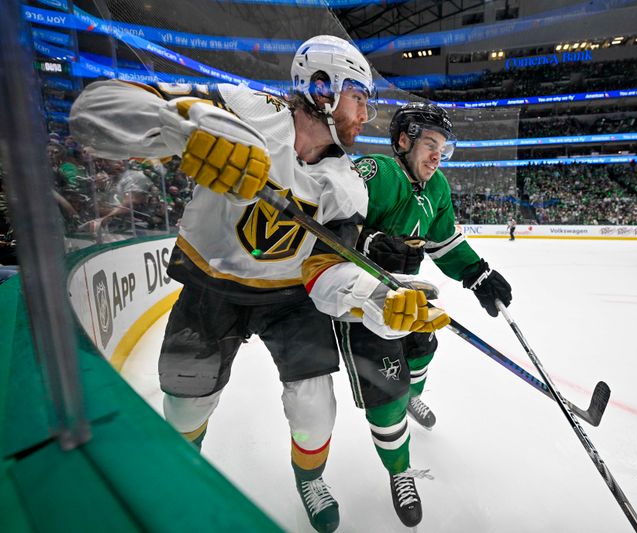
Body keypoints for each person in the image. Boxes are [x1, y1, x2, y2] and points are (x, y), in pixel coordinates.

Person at [70, 35, 447, 533]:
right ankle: (183, 474)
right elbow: (93, 109)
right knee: (185, 402)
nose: (365, 115)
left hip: (289, 300)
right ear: (321, 87)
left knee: (315, 406)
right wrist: (179, 129)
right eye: (359, 98)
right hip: (210, 285)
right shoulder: (241, 108)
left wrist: (376, 301)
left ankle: (308, 479)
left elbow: (326, 270)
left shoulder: (347, 183)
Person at [332, 102, 513, 527]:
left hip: (409, 298)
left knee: (424, 350)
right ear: (402, 141)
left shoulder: (438, 189)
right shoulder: (376, 171)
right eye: (430, 144)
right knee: (386, 396)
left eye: (442, 148)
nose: (437, 154)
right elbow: (332, 223)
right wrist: (367, 242)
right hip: (363, 300)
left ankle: (413, 394)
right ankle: (401, 472)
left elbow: (444, 243)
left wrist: (477, 272)